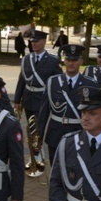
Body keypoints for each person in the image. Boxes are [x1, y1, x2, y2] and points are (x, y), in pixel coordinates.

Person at [38, 44, 97, 165]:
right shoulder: (52, 82)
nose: (71, 63)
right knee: (55, 167)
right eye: (68, 59)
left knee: (77, 168)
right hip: (55, 133)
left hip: (79, 133)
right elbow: (44, 111)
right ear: (64, 60)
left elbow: (95, 113)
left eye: (75, 60)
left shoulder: (90, 84)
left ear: (81, 61)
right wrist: (39, 136)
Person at [14, 30, 62, 168]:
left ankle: (39, 157)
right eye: (32, 42)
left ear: (44, 42)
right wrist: (17, 100)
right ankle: (33, 158)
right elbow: (21, 80)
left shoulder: (53, 60)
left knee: (39, 130)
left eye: (36, 41)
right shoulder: (26, 59)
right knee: (31, 130)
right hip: (29, 99)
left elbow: (58, 81)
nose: (33, 44)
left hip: (43, 100)